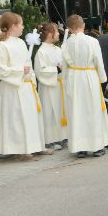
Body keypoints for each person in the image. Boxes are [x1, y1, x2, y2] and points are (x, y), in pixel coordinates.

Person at [0, 12, 50, 160]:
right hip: (13, 88)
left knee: (31, 116)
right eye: (21, 24)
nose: (23, 27)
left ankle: (36, 145)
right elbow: (0, 70)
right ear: (12, 26)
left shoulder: (21, 43)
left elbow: (28, 64)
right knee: (18, 118)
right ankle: (21, 148)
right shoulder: (2, 47)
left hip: (26, 85)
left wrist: (32, 78)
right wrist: (19, 71)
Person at [61, 15, 108, 158]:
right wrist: (103, 79)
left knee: (76, 111)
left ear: (69, 29)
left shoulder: (65, 44)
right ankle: (96, 147)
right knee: (92, 110)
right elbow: (98, 61)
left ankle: (80, 148)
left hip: (73, 78)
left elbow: (64, 66)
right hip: (89, 76)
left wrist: (65, 81)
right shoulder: (92, 41)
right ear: (83, 26)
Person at [34, 22, 67, 151]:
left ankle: (64, 136)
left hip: (60, 85)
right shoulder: (41, 52)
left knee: (61, 109)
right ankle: (50, 139)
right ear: (49, 34)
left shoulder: (58, 49)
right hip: (49, 87)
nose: (59, 33)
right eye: (56, 31)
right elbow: (40, 71)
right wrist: (56, 69)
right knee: (50, 112)